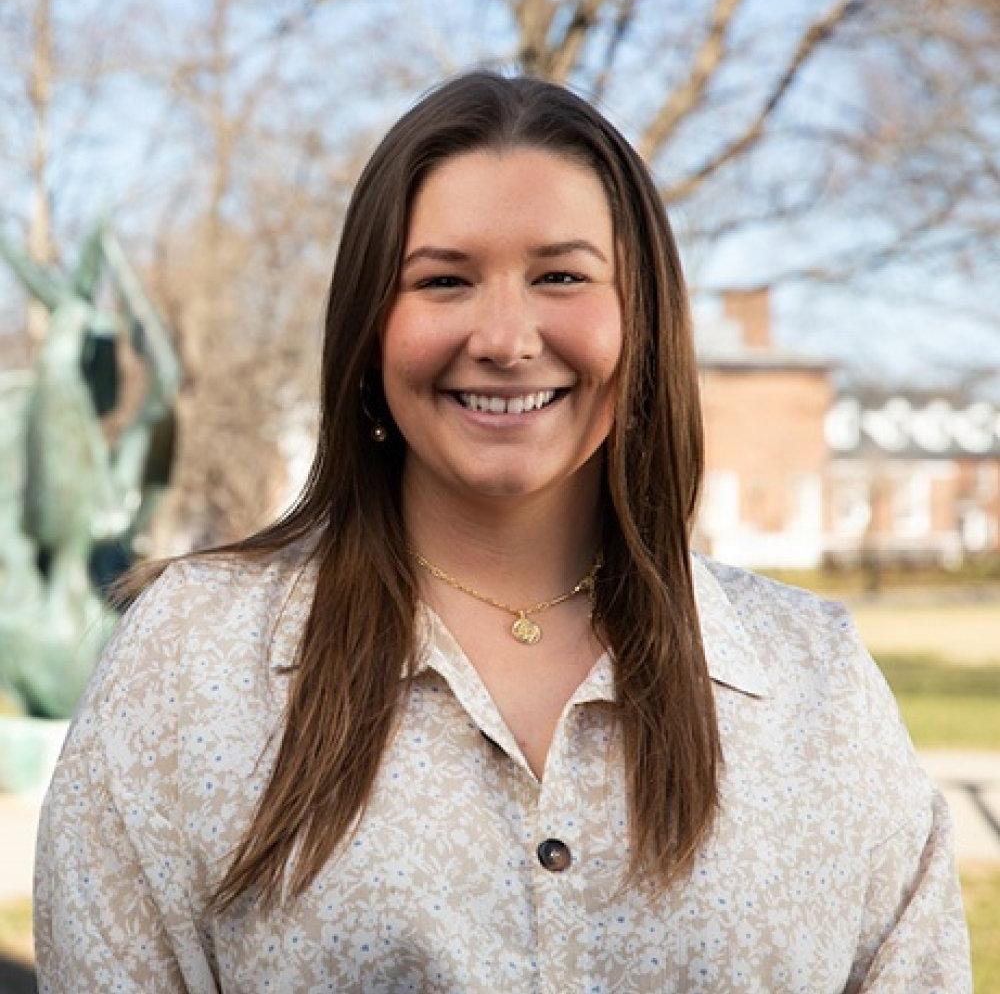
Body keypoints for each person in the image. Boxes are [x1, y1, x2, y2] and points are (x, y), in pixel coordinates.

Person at [33, 70, 971, 993]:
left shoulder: (815, 684)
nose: (506, 337)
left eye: (561, 274)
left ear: (640, 317)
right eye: (443, 280)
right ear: (369, 325)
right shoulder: (190, 663)